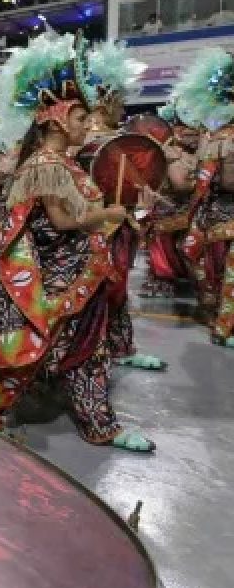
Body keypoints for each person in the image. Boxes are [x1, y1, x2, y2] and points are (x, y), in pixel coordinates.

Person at [0, 31, 154, 452]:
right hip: (52, 285)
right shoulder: (46, 163)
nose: (89, 126)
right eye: (81, 119)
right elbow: (63, 220)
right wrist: (106, 215)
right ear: (56, 119)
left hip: (76, 277)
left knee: (88, 353)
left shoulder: (64, 162)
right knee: (27, 363)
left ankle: (99, 423)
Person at [83, 41, 165, 370]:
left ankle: (120, 348)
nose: (124, 107)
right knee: (102, 290)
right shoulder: (89, 140)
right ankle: (92, 350)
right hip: (97, 226)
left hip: (121, 224)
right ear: (105, 100)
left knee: (118, 289)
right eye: (120, 99)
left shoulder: (116, 136)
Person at [175, 48, 234, 348]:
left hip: (214, 219)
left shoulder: (216, 138)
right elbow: (215, 182)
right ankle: (222, 324)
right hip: (222, 219)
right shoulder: (220, 139)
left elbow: (205, 183)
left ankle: (220, 322)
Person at [139, 101, 197, 299]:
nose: (194, 135)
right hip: (168, 212)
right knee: (165, 251)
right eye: (189, 131)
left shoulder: (183, 151)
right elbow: (179, 183)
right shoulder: (171, 152)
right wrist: (202, 184)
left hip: (179, 212)